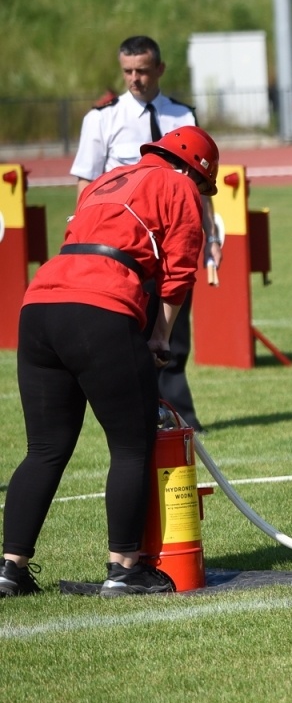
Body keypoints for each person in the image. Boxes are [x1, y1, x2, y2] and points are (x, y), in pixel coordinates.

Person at [2, 126, 218, 597]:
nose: (200, 195)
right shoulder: (179, 184)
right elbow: (181, 268)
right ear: (192, 169)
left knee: (44, 449)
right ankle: (125, 568)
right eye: (204, 185)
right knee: (133, 443)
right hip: (100, 307)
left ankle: (10, 569)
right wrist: (160, 334)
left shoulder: (106, 180)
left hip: (39, 304)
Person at [70, 36, 221, 431]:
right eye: (127, 71)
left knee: (174, 329)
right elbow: (87, 184)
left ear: (159, 70)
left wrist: (212, 236)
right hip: (125, 246)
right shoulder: (102, 118)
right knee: (134, 330)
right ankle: (138, 412)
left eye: (142, 70)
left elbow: (198, 186)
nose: (134, 79)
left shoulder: (182, 117)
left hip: (172, 238)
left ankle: (178, 414)